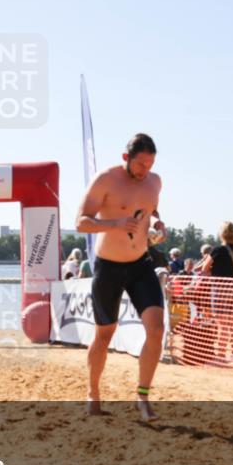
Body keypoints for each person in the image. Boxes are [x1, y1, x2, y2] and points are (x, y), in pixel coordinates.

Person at [76, 133, 167, 420]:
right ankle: (93, 393)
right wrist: (116, 223)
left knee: (156, 329)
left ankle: (143, 396)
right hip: (109, 266)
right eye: (140, 164)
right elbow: (80, 223)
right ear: (126, 157)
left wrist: (158, 223)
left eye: (150, 164)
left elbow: (151, 209)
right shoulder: (106, 179)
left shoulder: (154, 182)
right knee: (104, 334)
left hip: (140, 264)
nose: (145, 170)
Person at [198, 221, 233, 363]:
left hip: (220, 289)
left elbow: (204, 268)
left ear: (221, 233)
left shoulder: (218, 250)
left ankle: (221, 354)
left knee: (222, 324)